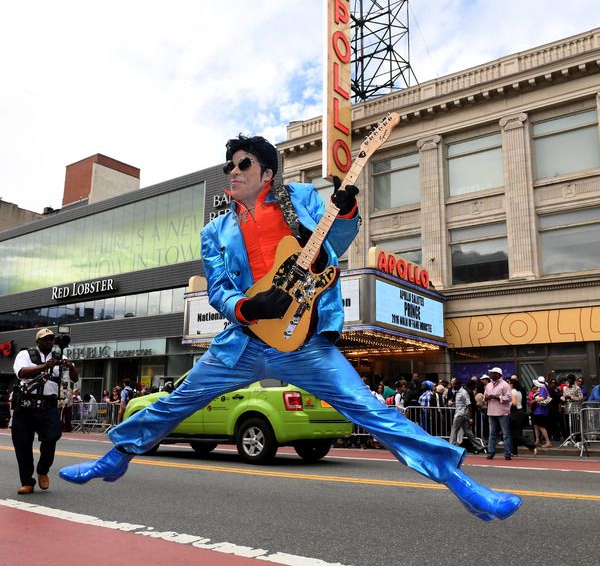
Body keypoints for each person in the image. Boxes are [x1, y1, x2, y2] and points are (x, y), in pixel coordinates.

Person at [60, 133, 521, 522]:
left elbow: (334, 244)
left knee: (372, 411)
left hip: (304, 341)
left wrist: (346, 211)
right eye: (228, 165)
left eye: (243, 163)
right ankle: (115, 457)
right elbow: (218, 289)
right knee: (178, 400)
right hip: (243, 342)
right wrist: (246, 307)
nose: (232, 171)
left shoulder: (299, 199)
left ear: (267, 173)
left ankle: (463, 486)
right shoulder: (214, 231)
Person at [11, 328, 78, 493]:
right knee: (22, 444)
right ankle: (27, 482)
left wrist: (70, 366)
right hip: (26, 406)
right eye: (45, 339)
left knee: (52, 437)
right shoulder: (25, 354)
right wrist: (44, 366)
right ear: (38, 341)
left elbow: (75, 378)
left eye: (51, 339)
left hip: (48, 407)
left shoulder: (60, 357)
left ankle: (43, 470)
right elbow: (21, 372)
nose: (49, 342)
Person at [449, 378, 484, 453]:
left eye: (454, 385)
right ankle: (479, 446)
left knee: (454, 429)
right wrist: (453, 403)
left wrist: (470, 417)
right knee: (467, 431)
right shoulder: (457, 392)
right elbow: (462, 403)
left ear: (458, 385)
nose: (453, 386)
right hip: (462, 414)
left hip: (460, 414)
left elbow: (469, 405)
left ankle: (451, 446)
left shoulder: (464, 393)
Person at [484, 367, 512, 460]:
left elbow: (509, 398)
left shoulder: (505, 385)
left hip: (502, 412)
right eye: (491, 373)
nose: (491, 375)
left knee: (505, 434)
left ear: (499, 375)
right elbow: (485, 396)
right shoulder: (488, 385)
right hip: (491, 411)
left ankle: (507, 454)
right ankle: (490, 452)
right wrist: (487, 398)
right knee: (492, 434)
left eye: (493, 373)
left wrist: (497, 397)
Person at [508, 377, 537, 456]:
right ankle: (514, 452)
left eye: (509, 383)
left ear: (512, 384)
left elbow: (514, 403)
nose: (508, 385)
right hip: (520, 412)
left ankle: (531, 445)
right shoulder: (519, 391)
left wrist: (508, 405)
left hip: (515, 413)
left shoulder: (513, 391)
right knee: (514, 434)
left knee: (516, 434)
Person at [530, 377, 553, 448]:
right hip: (538, 410)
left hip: (540, 410)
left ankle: (548, 441)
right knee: (536, 425)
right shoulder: (543, 388)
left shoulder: (542, 388)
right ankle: (537, 441)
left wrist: (534, 400)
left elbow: (542, 397)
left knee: (540, 426)